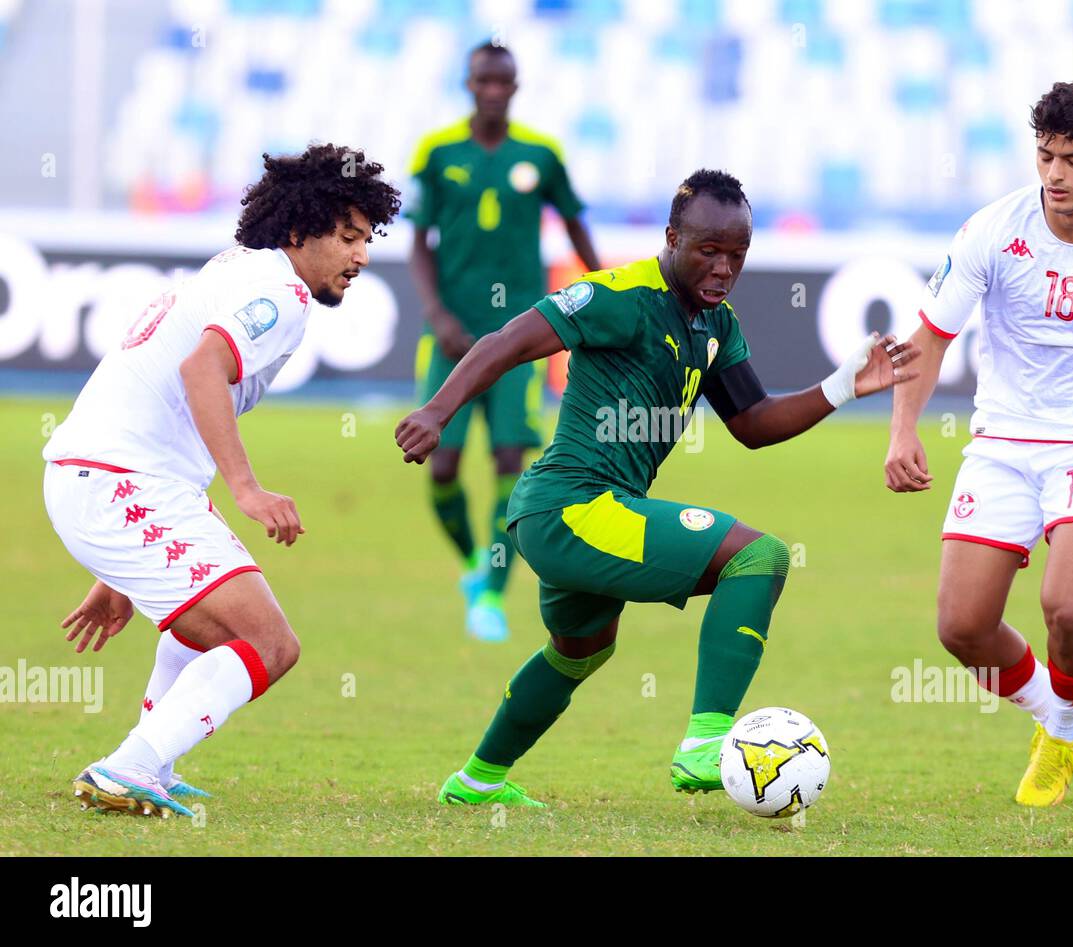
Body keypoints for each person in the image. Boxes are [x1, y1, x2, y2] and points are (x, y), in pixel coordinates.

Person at [396, 169, 918, 807]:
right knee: (758, 556)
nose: (724, 268)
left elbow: (752, 423)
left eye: (737, 254)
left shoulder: (715, 324)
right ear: (671, 237)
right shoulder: (620, 295)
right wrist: (436, 411)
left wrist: (841, 386)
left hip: (588, 513)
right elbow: (507, 342)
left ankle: (475, 782)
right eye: (709, 250)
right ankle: (705, 743)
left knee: (578, 652)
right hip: (572, 504)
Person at [44, 144, 400, 817]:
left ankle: (156, 762)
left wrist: (115, 574)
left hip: (115, 479)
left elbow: (166, 398)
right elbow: (200, 369)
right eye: (350, 238)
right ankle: (129, 766)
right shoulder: (280, 291)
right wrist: (247, 488)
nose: (362, 256)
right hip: (121, 481)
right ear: (301, 231)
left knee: (203, 623)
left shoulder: (237, 268)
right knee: (268, 643)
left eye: (368, 239)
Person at [883, 80, 1073, 806]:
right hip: (1003, 443)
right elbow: (929, 336)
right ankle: (1056, 708)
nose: (1054, 174)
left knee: (1068, 607)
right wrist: (903, 427)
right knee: (961, 626)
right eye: (1045, 156)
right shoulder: (993, 229)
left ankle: (1067, 726)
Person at [407, 40, 601, 642]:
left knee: (511, 461)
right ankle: (472, 558)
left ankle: (490, 592)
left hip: (522, 336)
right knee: (441, 465)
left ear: (514, 88)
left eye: (503, 83)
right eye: (483, 81)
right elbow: (418, 241)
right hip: (450, 334)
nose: (493, 91)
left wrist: (608, 292)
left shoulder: (541, 155)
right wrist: (436, 311)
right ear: (469, 84)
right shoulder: (437, 154)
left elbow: (574, 226)